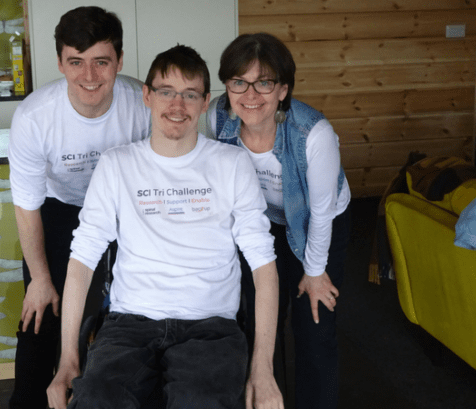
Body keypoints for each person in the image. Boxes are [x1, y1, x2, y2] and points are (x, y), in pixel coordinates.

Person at [47, 44, 284, 409]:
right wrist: (67, 361)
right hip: (129, 325)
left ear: (205, 102)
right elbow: (82, 260)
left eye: (190, 95)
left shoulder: (232, 164)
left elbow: (263, 265)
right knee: (97, 400)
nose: (177, 106)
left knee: (200, 402)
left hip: (211, 327)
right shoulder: (117, 165)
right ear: (147, 96)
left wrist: (263, 370)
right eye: (166, 92)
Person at [7, 6, 150, 409]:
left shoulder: (141, 104)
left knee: (128, 315)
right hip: (60, 210)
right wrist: (39, 279)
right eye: (77, 62)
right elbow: (27, 206)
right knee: (41, 316)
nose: (89, 77)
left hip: (126, 212)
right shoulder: (34, 117)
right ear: (60, 63)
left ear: (119, 61)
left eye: (101, 62)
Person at [206, 33, 351, 409]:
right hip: (260, 222)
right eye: (239, 82)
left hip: (318, 224)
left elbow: (320, 213)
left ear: (283, 89)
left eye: (264, 83)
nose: (250, 95)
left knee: (313, 325)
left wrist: (315, 272)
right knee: (256, 317)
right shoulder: (216, 116)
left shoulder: (313, 134)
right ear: (227, 84)